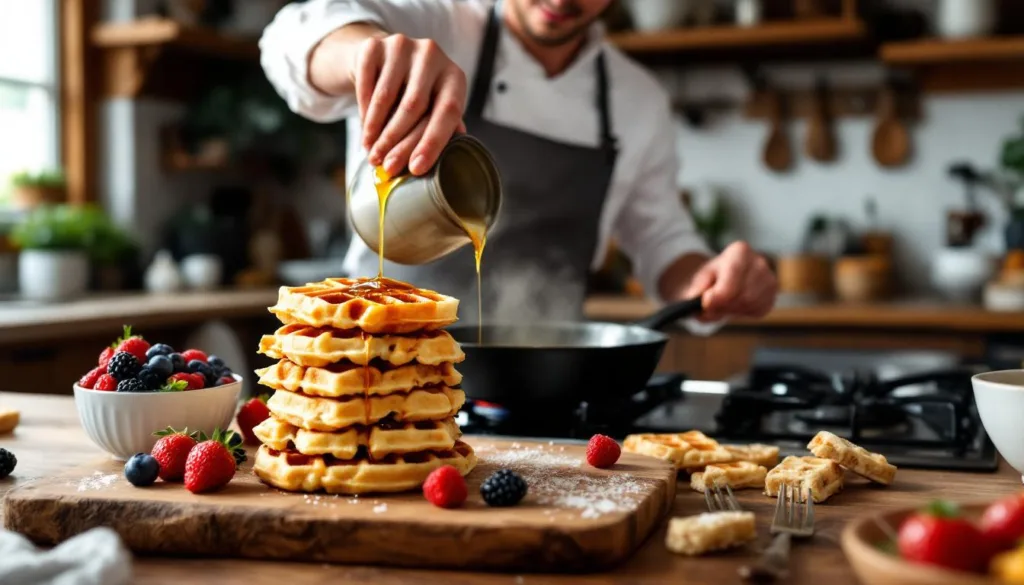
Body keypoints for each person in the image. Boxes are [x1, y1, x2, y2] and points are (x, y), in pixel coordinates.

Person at [259, 0, 778, 327]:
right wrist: (362, 55)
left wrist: (709, 280)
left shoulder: (637, 99)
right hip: (379, 360)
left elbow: (664, 242)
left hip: (540, 381)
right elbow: (288, 36)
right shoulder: (433, 19)